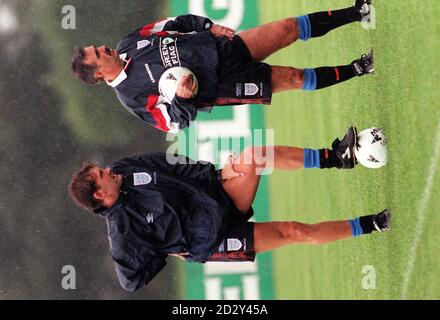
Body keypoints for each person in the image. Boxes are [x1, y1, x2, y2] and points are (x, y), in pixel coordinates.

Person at [67, 126, 391, 292]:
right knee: (293, 231)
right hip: (212, 239)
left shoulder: (124, 167)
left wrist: (217, 173)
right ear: (99, 195)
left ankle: (338, 158)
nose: (109, 171)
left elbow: (172, 164)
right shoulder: (123, 234)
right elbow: (130, 281)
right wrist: (166, 250)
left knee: (255, 154)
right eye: (102, 176)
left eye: (102, 168)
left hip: (217, 195)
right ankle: (373, 224)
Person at [71, 0, 375, 133]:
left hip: (221, 48)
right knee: (295, 77)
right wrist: (183, 97)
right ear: (99, 73)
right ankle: (358, 68)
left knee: (287, 28)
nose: (102, 48)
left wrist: (207, 25)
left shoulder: (129, 42)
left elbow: (174, 24)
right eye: (97, 54)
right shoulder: (130, 96)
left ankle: (358, 11)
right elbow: (172, 123)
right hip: (225, 84)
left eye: (96, 47)